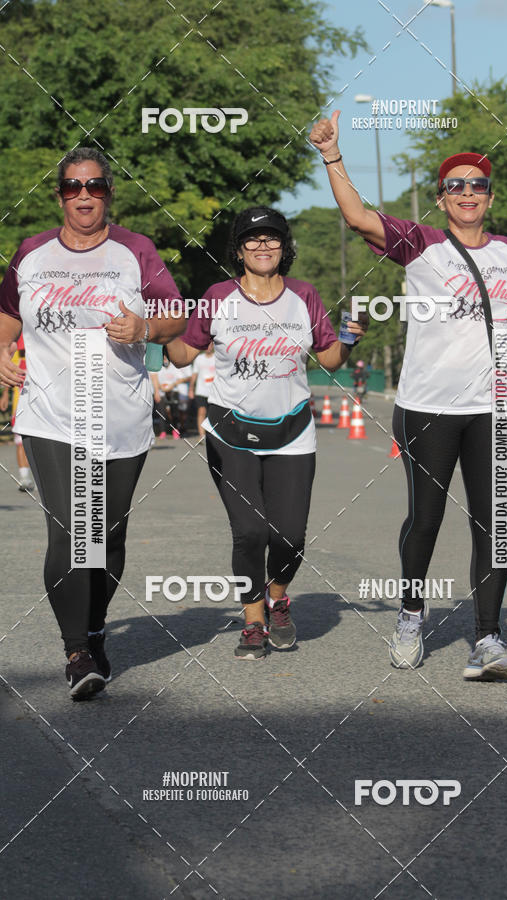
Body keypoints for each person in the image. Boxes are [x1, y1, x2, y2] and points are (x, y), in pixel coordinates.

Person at [310, 110, 507, 680]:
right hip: (428, 407)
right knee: (426, 518)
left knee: (497, 524)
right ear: (442, 199)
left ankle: (488, 638)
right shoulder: (421, 244)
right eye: (456, 185)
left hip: (496, 408)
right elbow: (358, 217)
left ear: (490, 198)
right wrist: (331, 155)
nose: (468, 192)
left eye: (478, 185)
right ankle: (411, 617)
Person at [0, 147, 185, 699]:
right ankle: (77, 651)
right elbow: (6, 322)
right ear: (59, 194)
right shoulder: (31, 253)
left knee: (107, 535)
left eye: (96, 186)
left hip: (121, 414)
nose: (84, 195)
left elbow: (177, 316)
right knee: (71, 530)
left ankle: (97, 626)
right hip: (51, 414)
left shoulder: (136, 251)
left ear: (109, 192)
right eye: (73, 186)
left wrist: (143, 328)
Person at [167, 206, 366, 659]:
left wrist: (352, 340)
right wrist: (151, 329)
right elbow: (182, 354)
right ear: (238, 250)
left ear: (284, 247)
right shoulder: (217, 296)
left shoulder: (304, 296)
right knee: (250, 532)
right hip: (230, 432)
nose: (262, 246)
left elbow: (329, 359)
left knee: (290, 536)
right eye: (252, 239)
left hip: (293, 432)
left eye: (272, 238)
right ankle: (253, 621)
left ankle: (279, 597)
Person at [0, 336, 35, 491]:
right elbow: (9, 366)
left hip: (44, 402)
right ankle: (25, 479)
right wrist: (6, 394)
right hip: (20, 401)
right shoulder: (18, 340)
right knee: (20, 440)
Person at [190, 344, 215, 438]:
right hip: (201, 390)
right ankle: (202, 435)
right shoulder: (199, 358)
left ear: (213, 346)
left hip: (214, 391)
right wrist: (191, 389)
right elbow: (194, 375)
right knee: (201, 411)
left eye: (210, 345)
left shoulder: (217, 358)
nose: (208, 348)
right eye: (207, 346)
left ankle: (212, 434)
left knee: (212, 414)